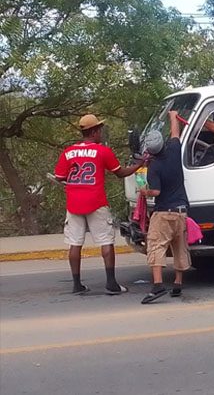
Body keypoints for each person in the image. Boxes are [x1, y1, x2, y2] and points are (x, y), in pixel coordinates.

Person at [54, 114, 142, 295]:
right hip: (96, 201)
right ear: (93, 132)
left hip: (74, 202)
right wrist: (140, 165)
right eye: (99, 129)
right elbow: (120, 172)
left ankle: (77, 284)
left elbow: (60, 177)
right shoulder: (102, 151)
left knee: (75, 243)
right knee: (106, 241)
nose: (101, 132)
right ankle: (111, 284)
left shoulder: (68, 152)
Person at [138, 111, 191, 304]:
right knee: (180, 247)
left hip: (163, 213)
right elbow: (176, 133)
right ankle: (177, 284)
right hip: (181, 211)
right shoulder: (175, 150)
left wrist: (144, 191)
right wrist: (173, 116)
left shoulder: (154, 167)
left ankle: (158, 284)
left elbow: (157, 192)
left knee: (156, 246)